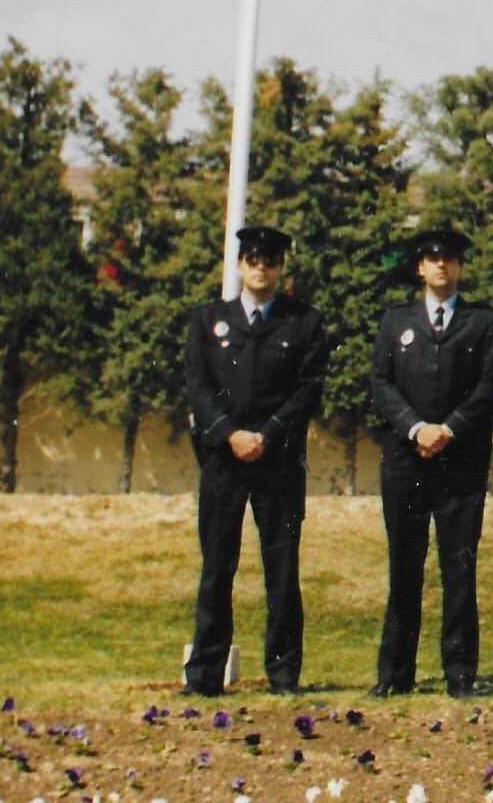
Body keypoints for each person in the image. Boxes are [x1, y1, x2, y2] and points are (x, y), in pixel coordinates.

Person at [181, 224, 329, 696]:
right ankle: (204, 675)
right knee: (216, 568)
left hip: (278, 460)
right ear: (240, 265)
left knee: (282, 570)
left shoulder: (304, 323)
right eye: (252, 260)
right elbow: (198, 387)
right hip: (224, 460)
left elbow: (307, 389)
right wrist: (229, 434)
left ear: (280, 267)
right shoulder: (207, 320)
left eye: (269, 260)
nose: (260, 268)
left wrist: (265, 434)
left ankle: (283, 675)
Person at [369, 226, 493, 697]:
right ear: (420, 268)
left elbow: (490, 386)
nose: (440, 265)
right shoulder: (395, 321)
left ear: (459, 267)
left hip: (460, 462)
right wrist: (415, 428)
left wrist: (448, 430)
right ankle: (394, 675)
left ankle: (460, 674)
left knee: (459, 569)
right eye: (432, 259)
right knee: (404, 568)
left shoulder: (482, 322)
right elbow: (381, 384)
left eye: (449, 258)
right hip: (406, 461)